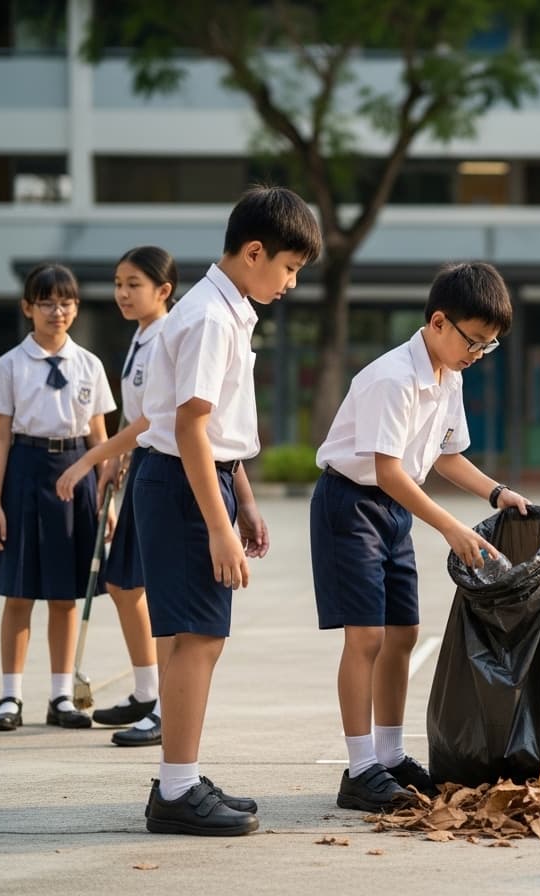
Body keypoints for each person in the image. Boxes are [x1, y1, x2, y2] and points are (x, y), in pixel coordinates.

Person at [132, 186, 321, 836]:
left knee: (191, 636)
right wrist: (220, 526)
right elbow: (191, 429)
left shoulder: (227, 308)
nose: (291, 282)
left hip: (194, 479)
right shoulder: (213, 317)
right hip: (183, 483)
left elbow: (216, 429)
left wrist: (243, 500)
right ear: (253, 252)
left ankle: (177, 779)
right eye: (289, 268)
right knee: (198, 638)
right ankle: (177, 790)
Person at [311, 261, 529, 811]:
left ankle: (388, 755)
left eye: (489, 347)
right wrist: (452, 528)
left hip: (393, 510)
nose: (477, 355)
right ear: (438, 322)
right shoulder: (392, 379)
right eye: (474, 341)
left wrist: (496, 492)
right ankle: (360, 769)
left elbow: (448, 457)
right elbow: (387, 472)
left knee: (402, 635)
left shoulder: (448, 376)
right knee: (365, 638)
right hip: (351, 505)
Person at [0, 263, 116, 732]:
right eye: (47, 302)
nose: (57, 311)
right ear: (27, 308)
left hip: (75, 474)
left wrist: (107, 497)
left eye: (66, 302)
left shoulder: (89, 365)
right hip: (24, 470)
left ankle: (61, 695)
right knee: (19, 593)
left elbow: (101, 435)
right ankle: (9, 697)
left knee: (64, 594)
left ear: (76, 308)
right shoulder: (10, 365)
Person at [56, 247, 176, 747]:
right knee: (125, 583)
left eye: (134, 284)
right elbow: (135, 416)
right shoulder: (141, 336)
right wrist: (116, 460)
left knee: (158, 592)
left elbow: (153, 418)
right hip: (141, 462)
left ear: (163, 290)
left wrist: (88, 459)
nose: (122, 293)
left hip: (168, 464)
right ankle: (148, 691)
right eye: (118, 283)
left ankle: (168, 705)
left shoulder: (168, 336)